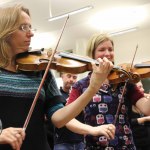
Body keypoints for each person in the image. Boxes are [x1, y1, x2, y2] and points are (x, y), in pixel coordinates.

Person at [0, 4, 115, 150]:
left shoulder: (41, 70)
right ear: (5, 30)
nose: (31, 33)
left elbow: (59, 119)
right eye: (23, 28)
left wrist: (93, 87)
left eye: (31, 27)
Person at [67, 33, 150, 150]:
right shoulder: (80, 86)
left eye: (110, 49)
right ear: (92, 54)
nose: (107, 53)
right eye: (102, 49)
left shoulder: (125, 81)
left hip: (126, 146)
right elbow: (67, 119)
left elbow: (147, 109)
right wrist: (92, 130)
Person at [54, 72, 86, 150]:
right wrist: (66, 107)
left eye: (74, 77)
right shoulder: (56, 95)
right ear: (62, 76)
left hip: (80, 141)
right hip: (61, 141)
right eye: (68, 76)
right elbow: (53, 117)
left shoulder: (81, 95)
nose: (71, 80)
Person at [130, 81, 150, 150]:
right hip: (136, 142)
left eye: (142, 87)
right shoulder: (127, 104)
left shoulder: (143, 101)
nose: (143, 89)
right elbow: (130, 122)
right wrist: (146, 119)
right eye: (139, 87)